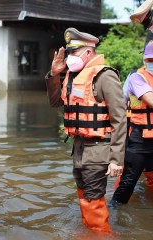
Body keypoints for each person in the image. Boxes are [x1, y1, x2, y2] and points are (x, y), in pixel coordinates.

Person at [45, 27, 126, 233]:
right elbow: (55, 102)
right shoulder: (72, 76)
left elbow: (119, 118)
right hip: (79, 148)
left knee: (94, 199)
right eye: (69, 52)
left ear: (88, 52)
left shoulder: (105, 76)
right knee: (84, 197)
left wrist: (117, 159)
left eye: (73, 52)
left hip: (98, 149)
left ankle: (100, 235)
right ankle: (88, 233)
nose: (69, 57)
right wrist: (54, 74)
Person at [111, 41, 153, 206]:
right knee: (128, 181)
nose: (152, 63)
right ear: (144, 60)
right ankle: (115, 211)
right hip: (139, 138)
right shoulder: (137, 77)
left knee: (152, 179)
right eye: (150, 60)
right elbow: (150, 100)